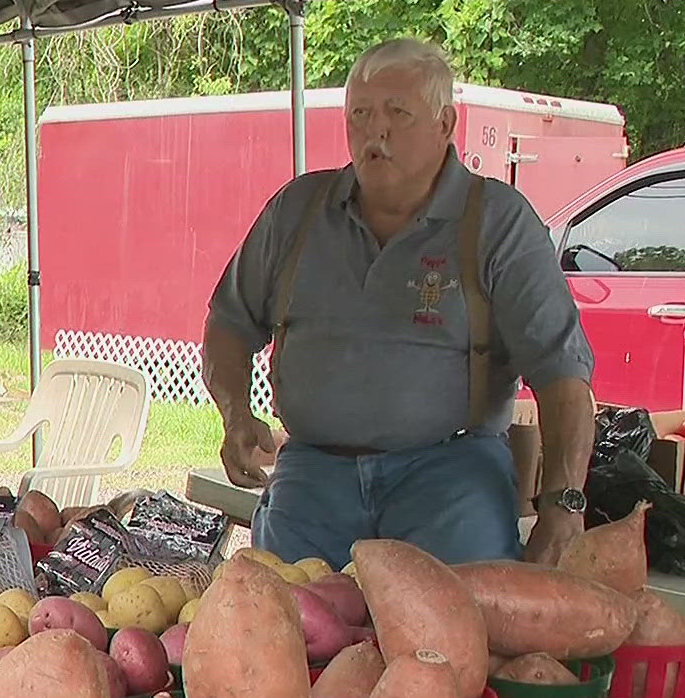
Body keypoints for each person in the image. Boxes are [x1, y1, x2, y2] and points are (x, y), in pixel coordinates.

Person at [202, 38, 596, 567]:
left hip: (451, 477)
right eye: (359, 114)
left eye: (398, 113)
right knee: (288, 627)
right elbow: (228, 324)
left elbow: (561, 372)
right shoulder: (297, 212)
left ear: (445, 124)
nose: (375, 132)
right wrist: (235, 416)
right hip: (314, 476)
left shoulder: (496, 222)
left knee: (456, 634)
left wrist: (564, 508)